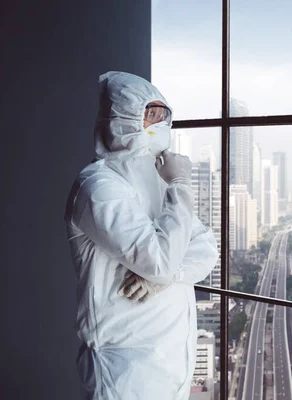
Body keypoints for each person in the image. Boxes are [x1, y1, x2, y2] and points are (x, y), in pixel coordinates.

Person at [64, 71, 218, 399]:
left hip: (170, 362)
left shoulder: (157, 179)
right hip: (124, 370)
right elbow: (159, 259)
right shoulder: (97, 188)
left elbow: (206, 246)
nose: (160, 124)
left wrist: (169, 276)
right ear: (121, 119)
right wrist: (181, 186)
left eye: (164, 115)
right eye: (150, 115)